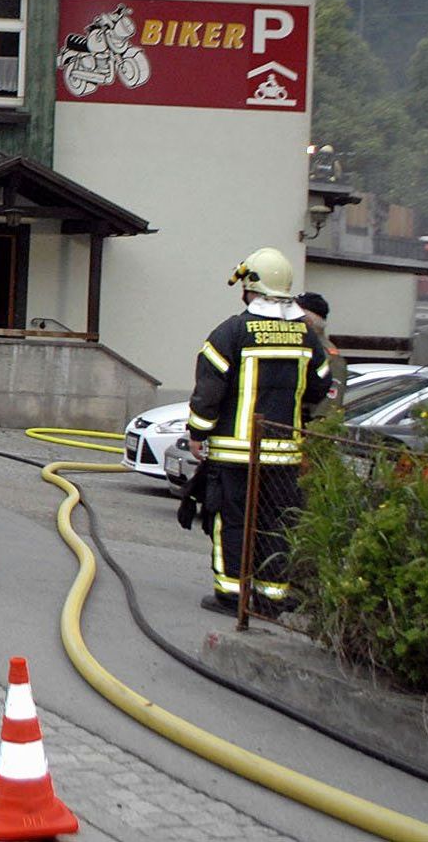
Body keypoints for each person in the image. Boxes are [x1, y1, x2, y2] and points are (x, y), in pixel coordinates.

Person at [187, 248, 331, 615]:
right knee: (276, 522)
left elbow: (209, 389)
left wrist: (197, 433)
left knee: (231, 520)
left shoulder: (232, 332)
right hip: (283, 456)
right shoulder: (306, 336)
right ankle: (270, 597)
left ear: (251, 287)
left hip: (236, 453)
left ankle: (232, 595)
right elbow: (319, 387)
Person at [295, 290, 347, 405]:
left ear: (310, 321)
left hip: (306, 420)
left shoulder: (329, 355)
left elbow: (328, 407)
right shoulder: (296, 346)